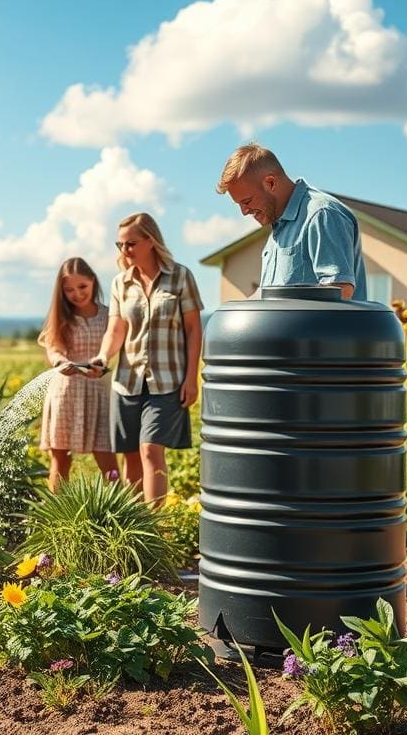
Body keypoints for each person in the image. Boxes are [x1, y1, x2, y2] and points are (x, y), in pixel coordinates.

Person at [89, 213, 202, 503]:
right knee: (131, 458)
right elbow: (116, 329)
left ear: (151, 241)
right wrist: (102, 357)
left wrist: (191, 378)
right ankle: (136, 529)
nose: (124, 251)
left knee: (151, 450)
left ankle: (156, 526)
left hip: (167, 382)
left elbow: (193, 330)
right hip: (127, 382)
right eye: (120, 245)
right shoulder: (120, 284)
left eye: (131, 244)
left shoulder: (180, 277)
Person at [216, 142, 367, 300]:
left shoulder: (321, 214)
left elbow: (339, 292)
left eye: (247, 201)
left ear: (270, 183)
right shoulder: (278, 230)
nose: (244, 211)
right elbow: (267, 297)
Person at [38, 257, 119, 492]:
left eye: (82, 286)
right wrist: (61, 362)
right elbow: (53, 350)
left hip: (100, 393)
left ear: (93, 282)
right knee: (61, 460)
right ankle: (56, 513)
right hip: (65, 394)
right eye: (69, 289)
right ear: (61, 291)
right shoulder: (60, 318)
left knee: (108, 460)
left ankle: (118, 510)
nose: (77, 294)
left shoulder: (109, 316)